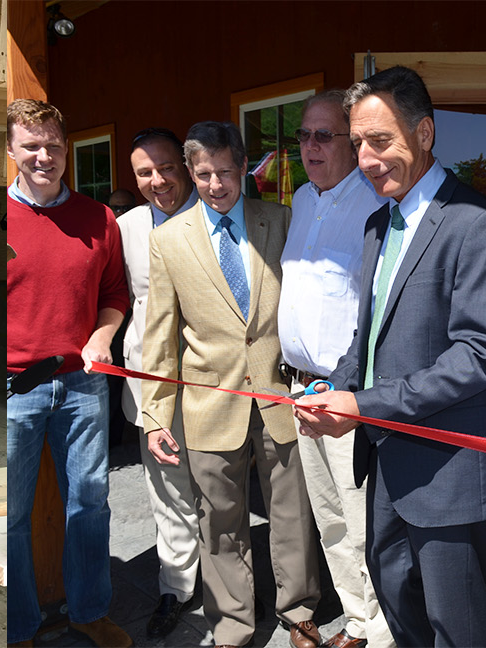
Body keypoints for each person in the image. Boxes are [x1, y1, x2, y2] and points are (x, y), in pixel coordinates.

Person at [297, 66, 486, 648]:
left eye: (381, 142)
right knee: (398, 605)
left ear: (424, 134)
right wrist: (331, 386)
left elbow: (477, 358)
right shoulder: (378, 223)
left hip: (448, 472)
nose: (367, 159)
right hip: (386, 463)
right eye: (358, 144)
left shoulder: (476, 223)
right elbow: (366, 335)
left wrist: (362, 402)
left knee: (458, 628)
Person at [140, 122, 321, 648]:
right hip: (207, 404)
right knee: (218, 522)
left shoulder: (281, 220)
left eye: (224, 172)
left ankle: (299, 612)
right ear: (191, 174)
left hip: (280, 396)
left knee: (292, 514)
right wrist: (155, 415)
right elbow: (160, 337)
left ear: (243, 166)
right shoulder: (167, 239)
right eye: (203, 175)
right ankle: (233, 624)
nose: (216, 185)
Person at [3, 98, 132, 648]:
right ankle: (19, 624)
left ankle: (88, 610)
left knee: (90, 503)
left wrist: (103, 335)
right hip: (13, 391)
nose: (44, 156)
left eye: (53, 145)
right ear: (11, 150)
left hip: (82, 382)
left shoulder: (98, 218)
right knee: (10, 515)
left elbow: (114, 294)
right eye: (31, 145)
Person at [276, 90, 390, 648]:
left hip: (344, 395)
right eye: (304, 135)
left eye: (325, 135)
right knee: (331, 519)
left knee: (360, 515)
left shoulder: (374, 204)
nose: (311, 146)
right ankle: (358, 620)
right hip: (299, 389)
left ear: (353, 142)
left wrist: (344, 389)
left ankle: (378, 628)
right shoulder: (301, 198)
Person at [114, 126, 203, 641]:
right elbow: (113, 297)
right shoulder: (125, 227)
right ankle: (177, 585)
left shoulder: (214, 214)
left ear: (187, 166)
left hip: (213, 380)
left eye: (167, 167)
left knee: (219, 486)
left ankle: (228, 585)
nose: (157, 180)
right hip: (151, 378)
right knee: (166, 486)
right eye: (145, 172)